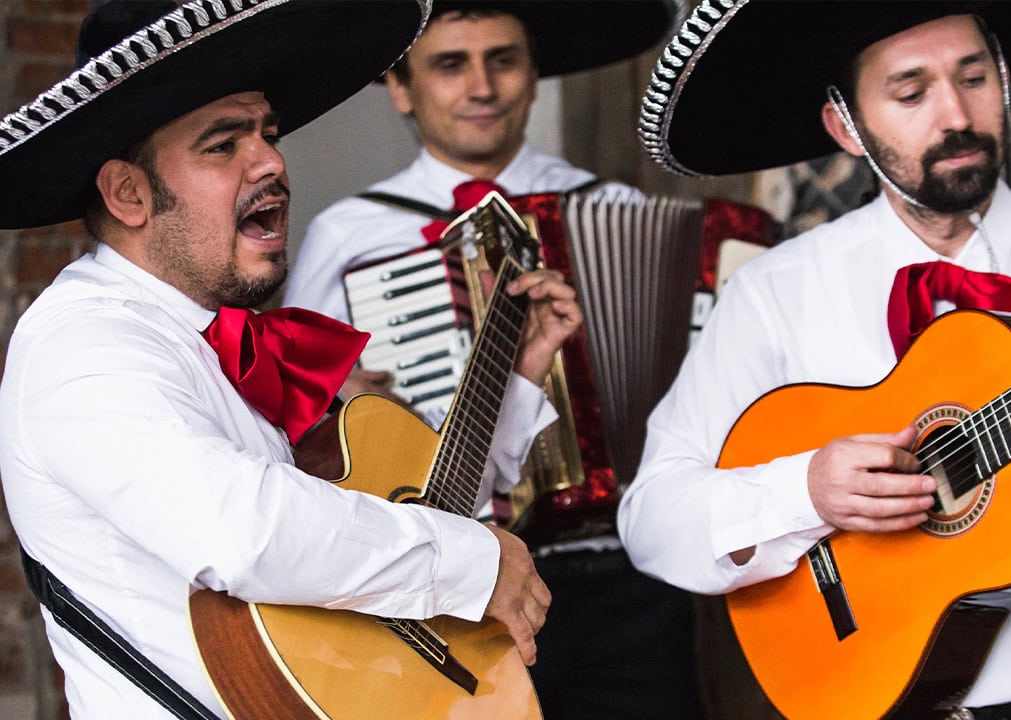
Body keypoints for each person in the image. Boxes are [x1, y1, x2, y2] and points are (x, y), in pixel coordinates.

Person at [0, 1, 590, 717]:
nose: (272, 160)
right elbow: (243, 530)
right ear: (127, 192)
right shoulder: (81, 342)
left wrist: (515, 381)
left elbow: (398, 512)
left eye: (267, 134)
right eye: (223, 145)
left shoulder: (230, 339)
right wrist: (471, 564)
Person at [620, 2, 1011, 719]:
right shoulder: (773, 294)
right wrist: (805, 491)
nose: (955, 114)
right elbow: (651, 521)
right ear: (845, 125)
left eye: (973, 77)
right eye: (910, 92)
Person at [285, 3, 707, 719]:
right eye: (451, 64)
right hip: (455, 581)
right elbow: (301, 430)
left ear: (534, 75)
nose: (481, 86)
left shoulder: (611, 204)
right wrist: (337, 400)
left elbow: (688, 389)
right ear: (401, 88)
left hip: (623, 572)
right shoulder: (349, 236)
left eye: (503, 59)